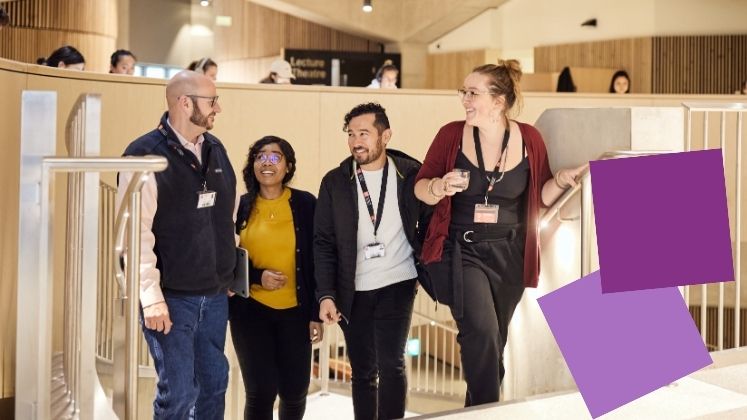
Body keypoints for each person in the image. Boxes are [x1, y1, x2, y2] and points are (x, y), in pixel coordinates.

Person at [414, 60, 586, 408]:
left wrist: (562, 181)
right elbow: (419, 187)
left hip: (509, 254)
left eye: (473, 93)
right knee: (482, 332)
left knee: (494, 343)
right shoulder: (451, 135)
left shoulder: (530, 139)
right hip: (460, 251)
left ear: (499, 101)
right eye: (463, 91)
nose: (464, 99)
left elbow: (538, 196)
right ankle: (489, 412)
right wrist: (439, 186)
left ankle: (477, 410)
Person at [117, 70, 237, 419]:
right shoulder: (143, 156)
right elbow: (134, 236)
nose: (219, 108)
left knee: (214, 385)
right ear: (185, 103)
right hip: (171, 299)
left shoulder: (216, 149)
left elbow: (226, 216)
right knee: (180, 393)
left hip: (214, 297)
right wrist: (150, 297)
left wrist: (226, 272)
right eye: (212, 101)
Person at [315, 103, 430, 420]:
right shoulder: (335, 182)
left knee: (392, 364)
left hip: (399, 280)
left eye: (363, 133)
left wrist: (429, 267)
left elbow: (434, 222)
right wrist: (326, 294)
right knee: (363, 370)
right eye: (351, 134)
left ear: (386, 135)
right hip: (353, 288)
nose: (356, 142)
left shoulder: (410, 175)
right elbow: (322, 243)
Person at [229, 136, 323, 420]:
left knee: (294, 392)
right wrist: (258, 276)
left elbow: (318, 258)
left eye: (275, 157)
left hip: (296, 313)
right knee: (261, 392)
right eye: (260, 156)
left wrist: (316, 312)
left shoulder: (306, 204)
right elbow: (224, 257)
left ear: (288, 166)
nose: (266, 163)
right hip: (250, 313)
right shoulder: (240, 206)